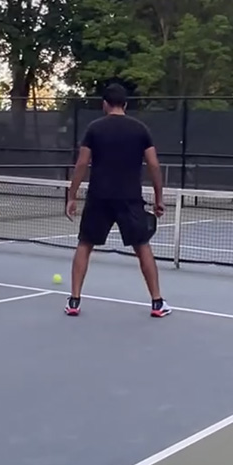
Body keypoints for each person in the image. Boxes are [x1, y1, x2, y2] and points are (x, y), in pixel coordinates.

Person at [64, 84, 171, 318]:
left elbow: (82, 164)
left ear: (104, 103)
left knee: (84, 245)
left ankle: (74, 301)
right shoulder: (140, 129)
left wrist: (72, 196)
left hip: (98, 196)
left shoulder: (94, 128)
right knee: (142, 246)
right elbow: (153, 165)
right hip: (129, 198)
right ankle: (157, 303)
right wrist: (159, 198)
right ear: (126, 104)